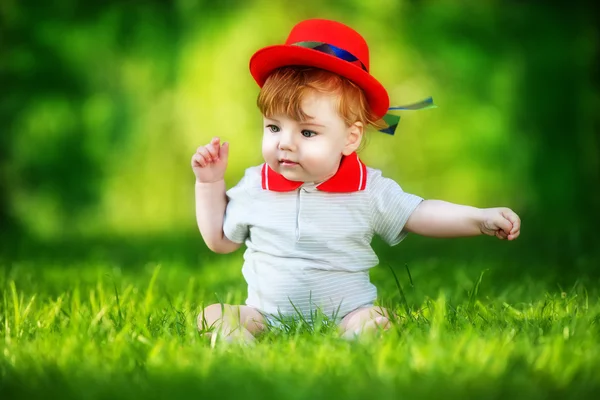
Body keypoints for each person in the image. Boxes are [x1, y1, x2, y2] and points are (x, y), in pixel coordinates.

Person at [191, 19, 521, 345]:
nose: (285, 143)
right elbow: (220, 241)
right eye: (274, 127)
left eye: (307, 132)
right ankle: (240, 346)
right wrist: (209, 183)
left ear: (350, 138)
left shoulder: (367, 189)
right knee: (212, 314)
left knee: (377, 319)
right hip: (265, 315)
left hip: (345, 312)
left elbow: (420, 213)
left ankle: (352, 338)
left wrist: (478, 218)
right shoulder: (256, 186)